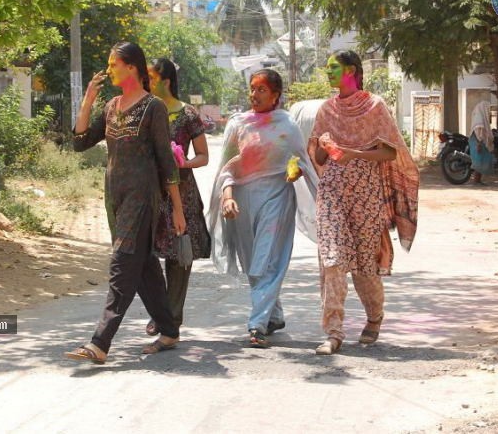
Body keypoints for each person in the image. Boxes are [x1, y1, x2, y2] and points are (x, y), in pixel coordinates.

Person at [64, 42, 186, 364]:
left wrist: (176, 208)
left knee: (121, 263)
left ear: (132, 67)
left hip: (143, 199)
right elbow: (80, 142)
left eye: (114, 64)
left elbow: (166, 162)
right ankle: (169, 328)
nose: (109, 69)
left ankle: (100, 342)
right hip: (114, 200)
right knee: (142, 266)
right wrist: (88, 101)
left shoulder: (153, 108)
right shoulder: (111, 106)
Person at [309, 50, 418, 355]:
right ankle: (333, 331)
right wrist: (324, 145)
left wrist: (355, 153)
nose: (328, 72)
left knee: (365, 267)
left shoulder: (375, 106)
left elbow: (390, 152)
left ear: (351, 71)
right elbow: (318, 157)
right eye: (327, 68)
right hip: (331, 192)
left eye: (334, 68)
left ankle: (374, 317)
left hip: (366, 193)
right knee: (332, 260)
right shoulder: (326, 110)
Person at [207, 69, 317, 348]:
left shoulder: (287, 126)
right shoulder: (238, 125)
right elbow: (227, 169)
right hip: (242, 202)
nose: (254, 95)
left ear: (276, 95)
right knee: (251, 261)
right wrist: (228, 196)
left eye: (262, 90)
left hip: (277, 197)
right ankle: (274, 315)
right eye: (252, 89)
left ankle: (256, 324)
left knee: (264, 261)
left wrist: (295, 171)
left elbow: (301, 161)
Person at [146, 58, 211, 336]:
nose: (146, 83)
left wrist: (183, 163)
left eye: (151, 77)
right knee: (147, 256)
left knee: (178, 257)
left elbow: (204, 156)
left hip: (181, 194)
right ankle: (161, 312)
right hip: (149, 192)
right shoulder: (145, 110)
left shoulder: (187, 114)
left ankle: (170, 319)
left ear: (166, 81)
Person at [469, 100, 494, 185]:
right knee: (479, 162)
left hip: (478, 140)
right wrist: (479, 143)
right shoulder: (479, 117)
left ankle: (478, 180)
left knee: (481, 161)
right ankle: (476, 180)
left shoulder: (480, 115)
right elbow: (478, 130)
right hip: (478, 141)